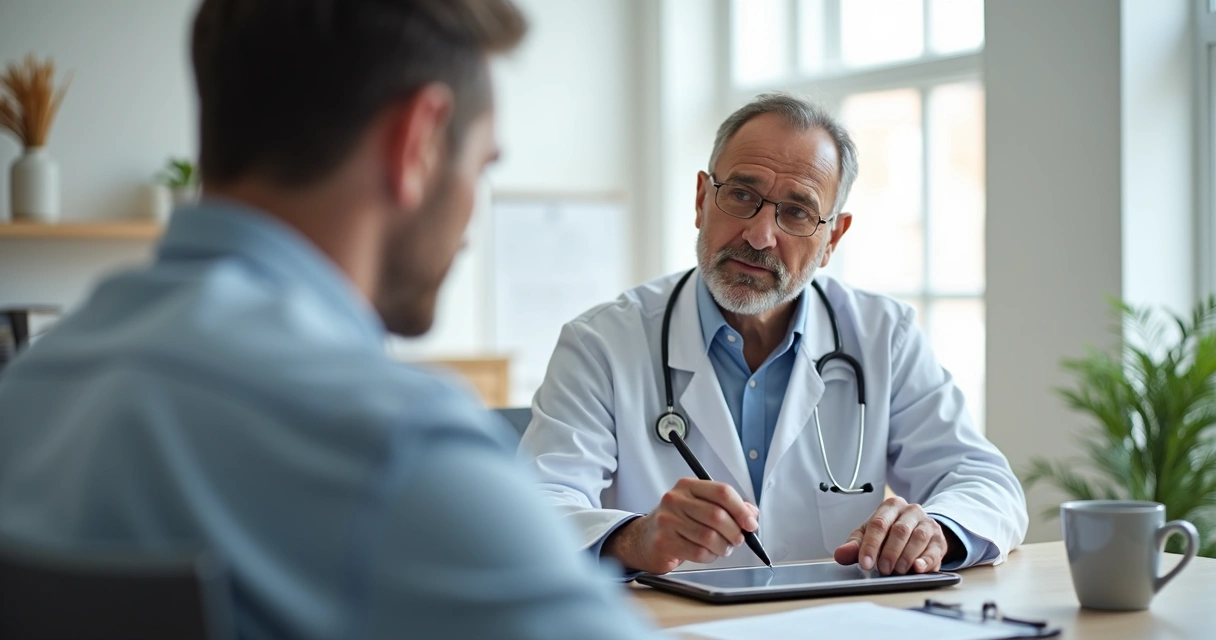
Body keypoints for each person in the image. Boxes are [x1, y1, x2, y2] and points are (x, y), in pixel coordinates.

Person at [0, 1, 661, 638]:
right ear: (419, 141)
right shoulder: (395, 447)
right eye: (480, 165)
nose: (469, 226)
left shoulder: (30, 387)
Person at [519, 93, 1028, 578]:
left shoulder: (883, 336)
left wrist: (933, 530)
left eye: (797, 212)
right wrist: (637, 538)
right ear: (701, 199)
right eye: (742, 196)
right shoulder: (602, 343)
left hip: (834, 621)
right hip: (668, 623)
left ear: (833, 238)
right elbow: (535, 512)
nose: (760, 236)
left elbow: (987, 484)